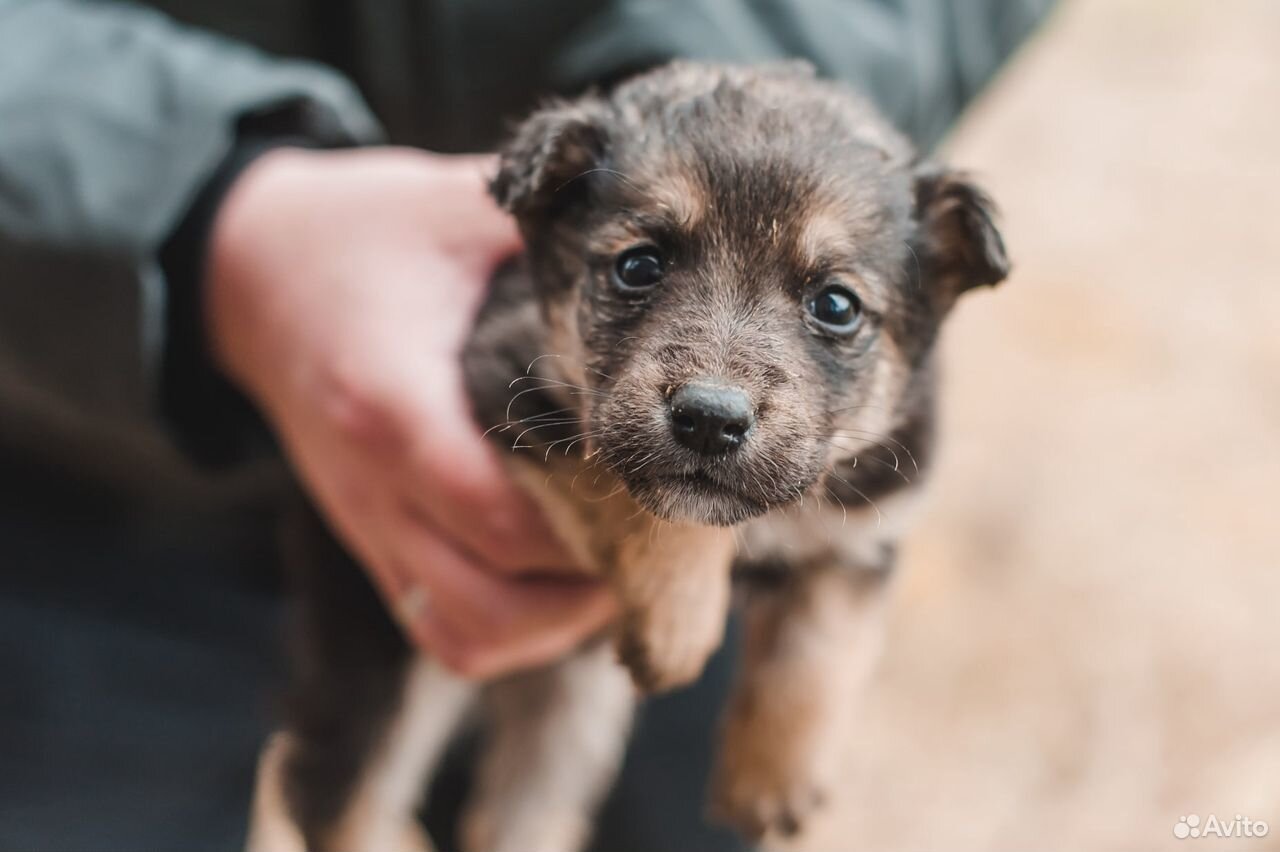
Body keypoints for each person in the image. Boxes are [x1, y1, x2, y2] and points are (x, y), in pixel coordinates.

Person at [0, 1, 1054, 849]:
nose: (719, 388)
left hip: (648, 658)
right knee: (341, 773)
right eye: (639, 269)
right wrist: (203, 210)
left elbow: (854, 563)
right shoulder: (553, 272)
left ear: (937, 279)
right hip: (65, 463)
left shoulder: (889, 405)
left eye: (832, 310)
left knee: (608, 795)